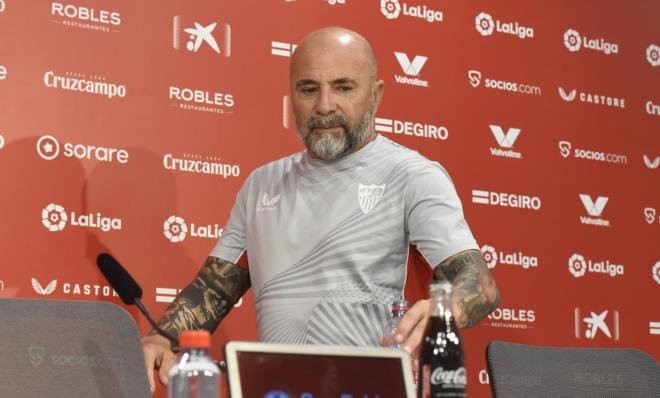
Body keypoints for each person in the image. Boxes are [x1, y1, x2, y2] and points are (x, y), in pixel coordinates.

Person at [141, 26, 500, 392]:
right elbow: (214, 289)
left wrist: (445, 308)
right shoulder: (261, 185)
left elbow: (480, 285)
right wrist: (161, 338)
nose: (324, 105)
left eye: (343, 87)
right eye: (308, 89)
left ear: (376, 95)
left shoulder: (413, 176)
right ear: (291, 96)